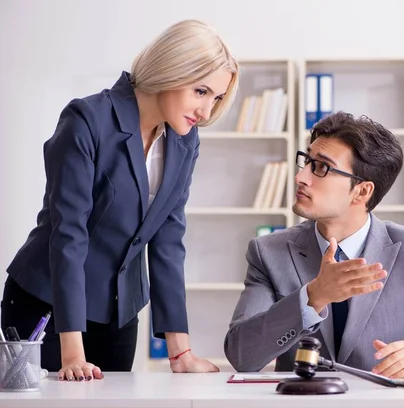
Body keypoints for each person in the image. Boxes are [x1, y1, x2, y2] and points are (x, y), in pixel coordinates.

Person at [0, 19, 239, 381]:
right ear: (172, 67)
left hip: (118, 313)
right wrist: (72, 353)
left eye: (216, 98)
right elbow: (69, 235)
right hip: (47, 308)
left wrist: (182, 352)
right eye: (201, 92)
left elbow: (168, 241)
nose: (206, 112)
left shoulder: (185, 140)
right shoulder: (87, 120)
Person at [224, 111, 404, 379]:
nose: (301, 177)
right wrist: (312, 297)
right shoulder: (268, 253)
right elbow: (242, 356)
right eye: (306, 162)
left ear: (362, 191)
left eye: (321, 167)